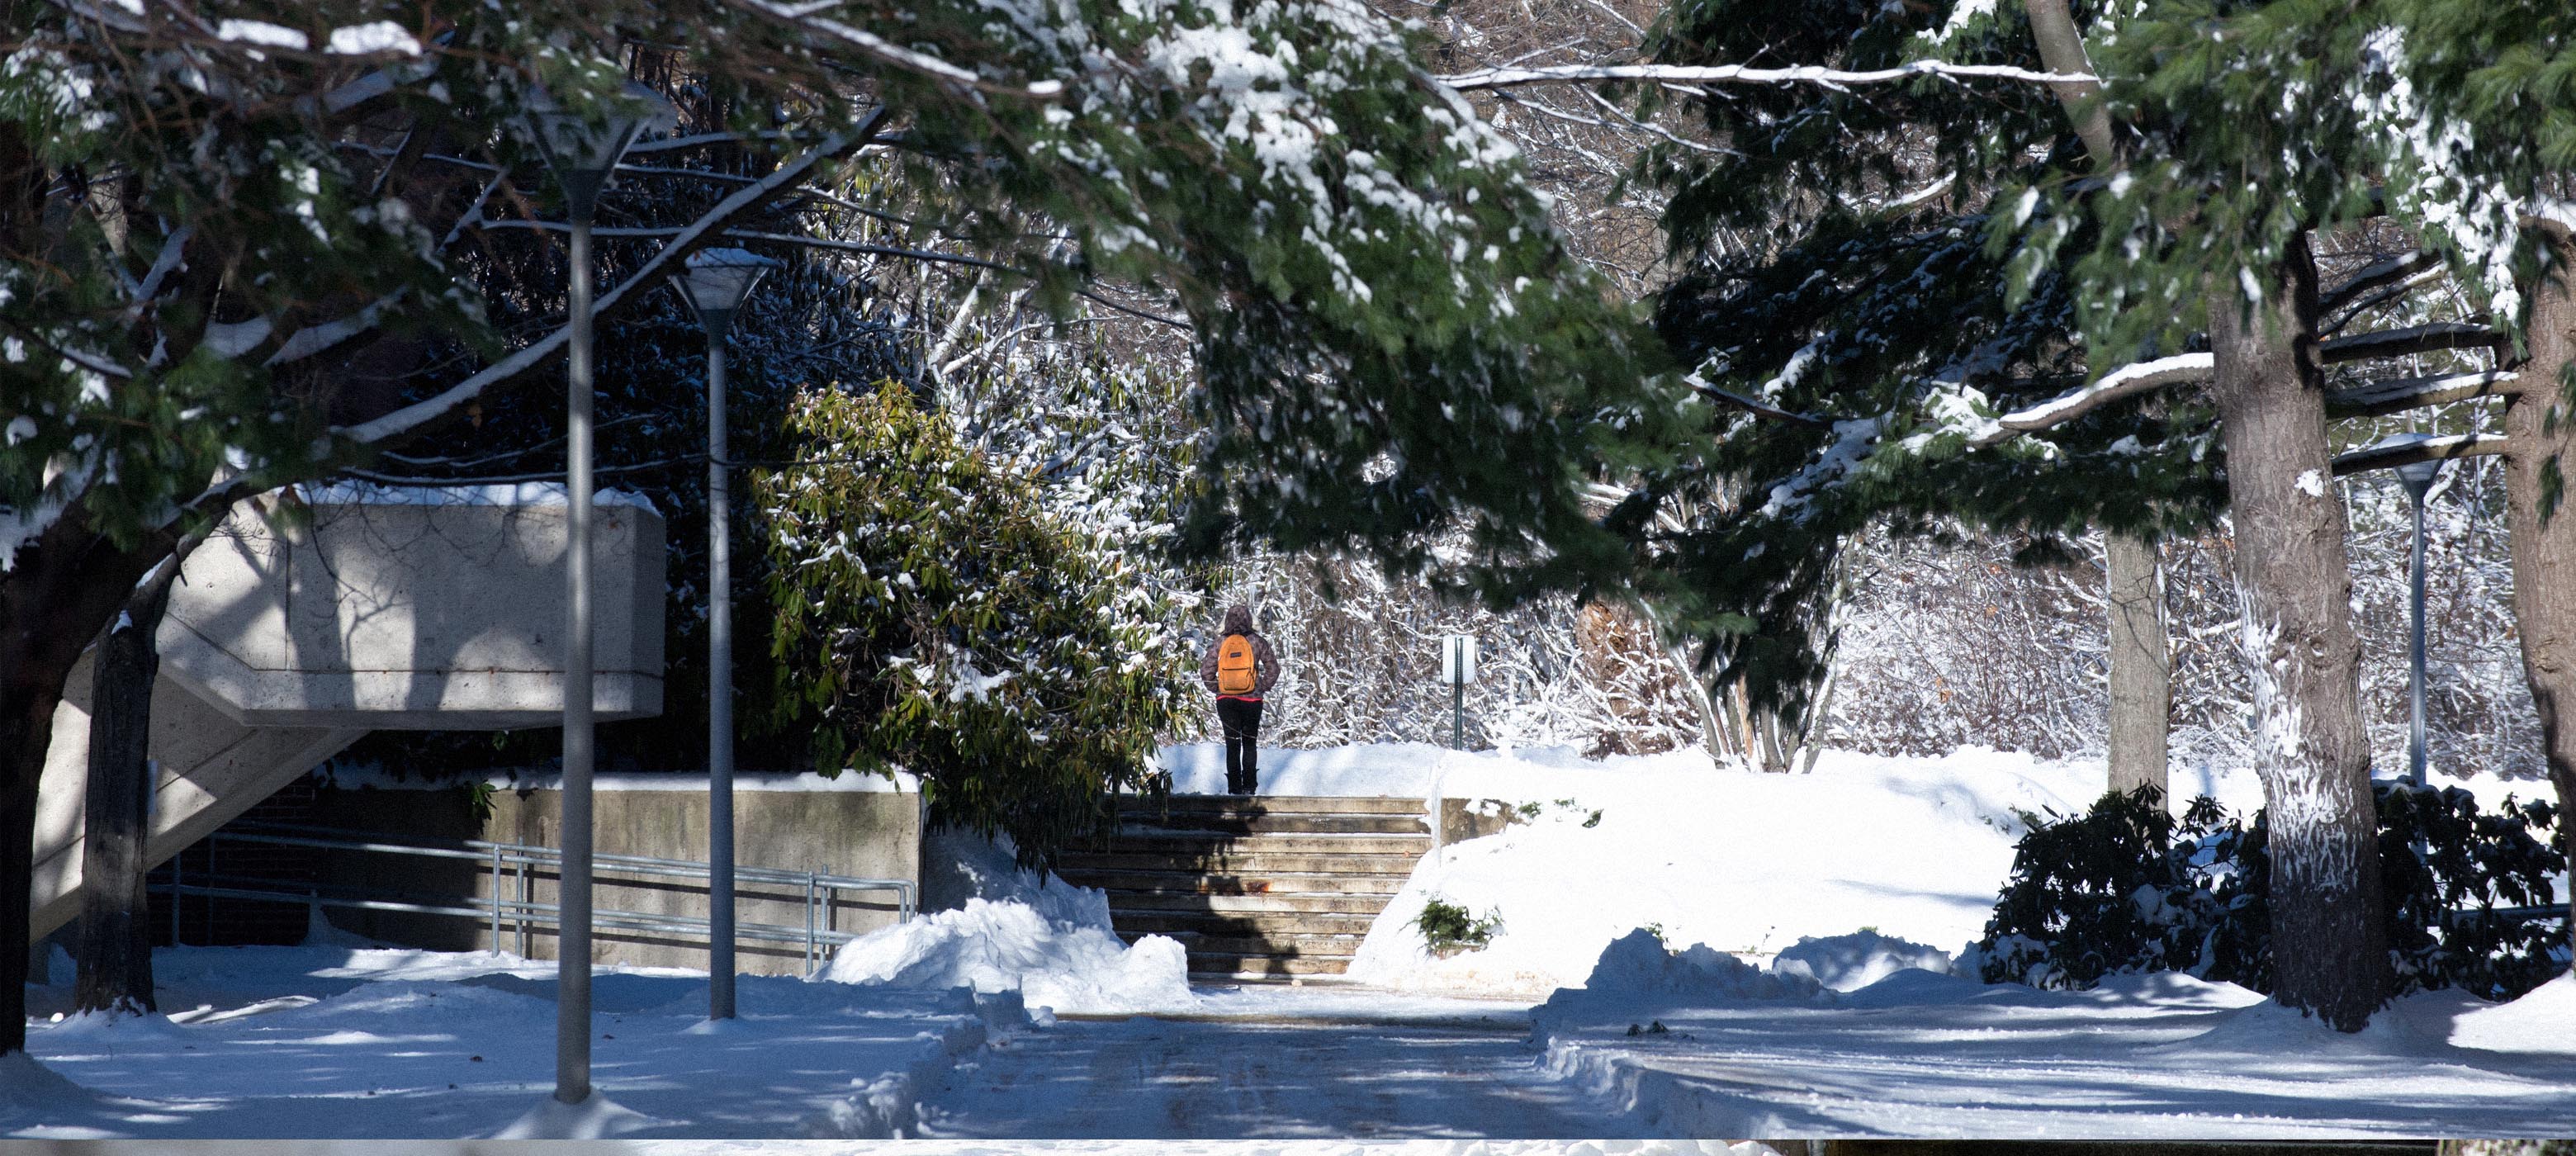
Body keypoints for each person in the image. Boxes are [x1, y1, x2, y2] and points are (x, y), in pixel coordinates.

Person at [1198, 604, 1281, 794]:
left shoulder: (1220, 643)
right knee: (1249, 743)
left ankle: (1234, 789)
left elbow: (1206, 671)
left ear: (1227, 620)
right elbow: (1273, 669)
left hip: (1226, 701)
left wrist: (1218, 688)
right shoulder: (1257, 642)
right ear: (1249, 620)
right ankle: (1250, 787)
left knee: (1232, 743)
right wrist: (1261, 687)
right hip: (1252, 701)